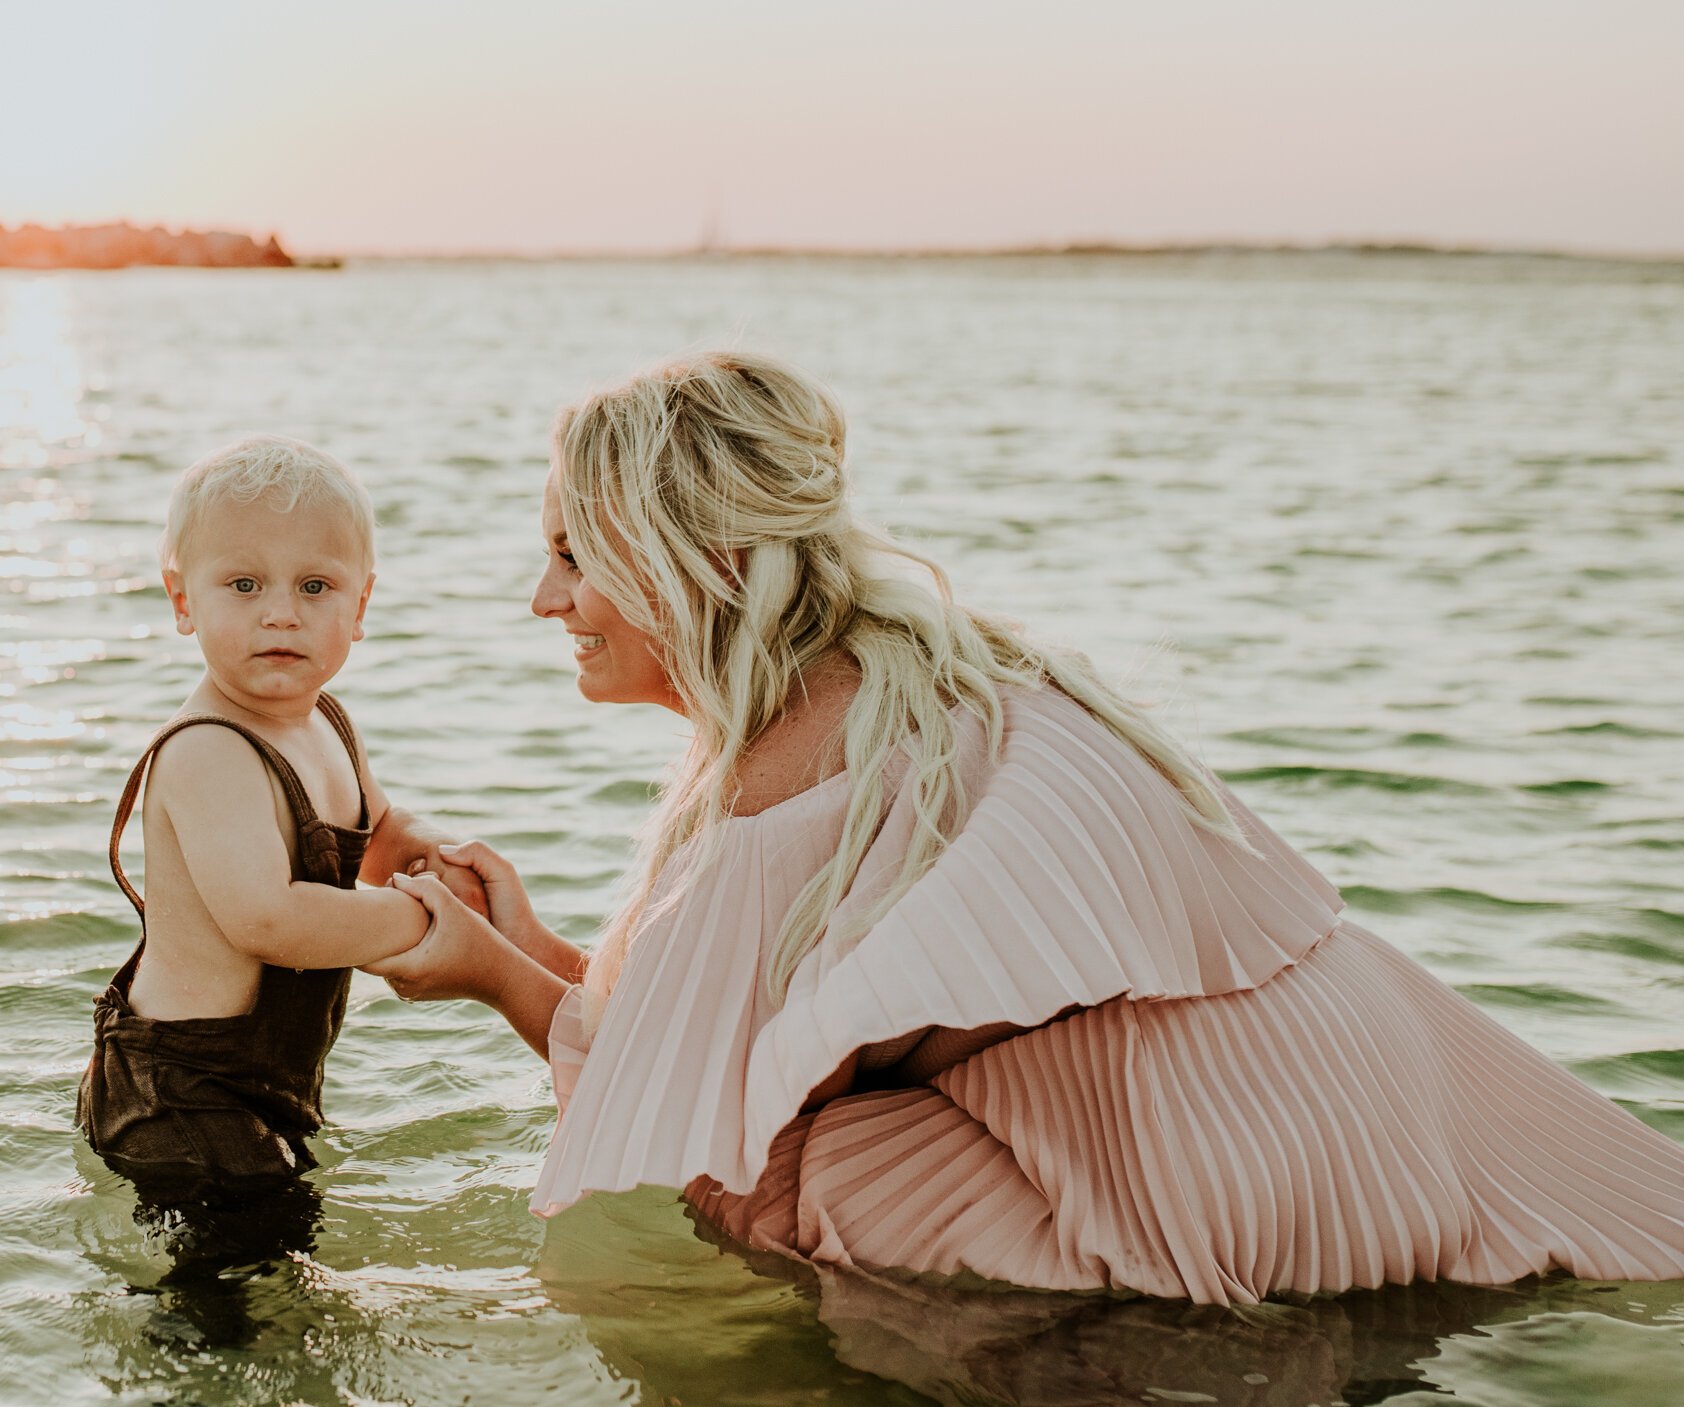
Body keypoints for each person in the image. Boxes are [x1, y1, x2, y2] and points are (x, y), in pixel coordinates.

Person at [369, 350, 1684, 1305]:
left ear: (694, 562)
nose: (544, 597)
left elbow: (686, 1107)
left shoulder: (781, 772)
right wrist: (532, 933)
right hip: (1358, 1115)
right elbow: (698, 1014)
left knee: (770, 1183)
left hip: (1209, 1204)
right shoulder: (927, 672)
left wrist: (488, 970)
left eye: (574, 553)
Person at [79, 436, 452, 1220]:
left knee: (280, 1264)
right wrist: (422, 916)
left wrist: (435, 859)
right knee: (231, 1305)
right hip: (180, 1092)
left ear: (361, 606)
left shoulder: (325, 724)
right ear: (183, 600)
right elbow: (269, 919)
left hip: (266, 1084)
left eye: (315, 585)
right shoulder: (208, 748)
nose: (280, 612)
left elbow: (379, 830)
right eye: (243, 584)